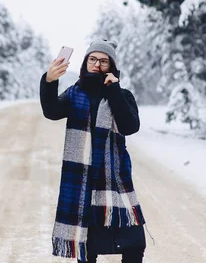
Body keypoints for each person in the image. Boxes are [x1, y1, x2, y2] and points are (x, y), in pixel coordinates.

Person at [40, 39, 147, 263]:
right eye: (93, 59)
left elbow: (130, 126)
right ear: (85, 62)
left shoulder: (123, 95)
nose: (97, 64)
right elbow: (51, 111)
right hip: (82, 182)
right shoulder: (74, 94)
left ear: (112, 66)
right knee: (88, 248)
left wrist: (114, 90)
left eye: (104, 61)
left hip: (115, 182)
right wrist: (49, 81)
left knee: (135, 243)